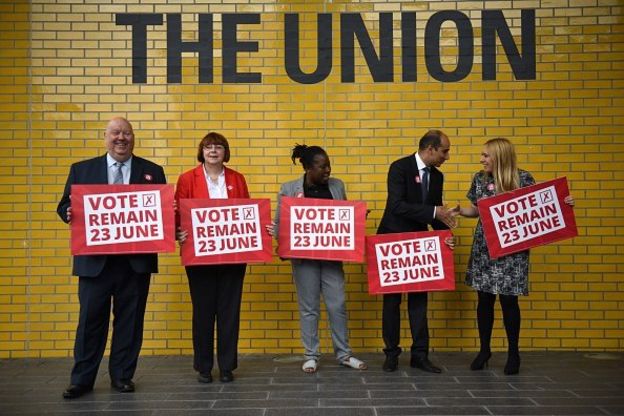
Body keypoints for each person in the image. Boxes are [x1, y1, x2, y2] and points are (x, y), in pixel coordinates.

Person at [57, 117, 167, 399]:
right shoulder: (82, 170)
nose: (121, 138)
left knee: (130, 322)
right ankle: (81, 379)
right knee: (90, 322)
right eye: (116, 133)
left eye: (127, 133)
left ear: (133, 137)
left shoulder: (152, 171)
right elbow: (65, 205)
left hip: (134, 263)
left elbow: (161, 213)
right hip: (95, 262)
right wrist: (68, 212)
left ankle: (122, 376)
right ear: (105, 137)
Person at [453, 138, 575, 375]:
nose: (481, 159)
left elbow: (539, 207)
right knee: (484, 299)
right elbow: (477, 210)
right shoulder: (480, 179)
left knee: (509, 301)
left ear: (499, 156)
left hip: (513, 249)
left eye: (486, 155)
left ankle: (513, 353)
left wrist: (565, 203)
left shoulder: (524, 179)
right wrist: (460, 210)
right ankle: (484, 350)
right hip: (484, 247)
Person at [271, 144, 367, 373]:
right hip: (304, 260)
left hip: (331, 258)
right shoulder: (289, 188)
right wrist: (281, 239)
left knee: (338, 304)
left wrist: (356, 219)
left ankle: (344, 354)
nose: (328, 170)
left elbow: (343, 219)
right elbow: (278, 225)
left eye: (329, 165)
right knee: (309, 307)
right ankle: (311, 355)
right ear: (307, 168)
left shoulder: (337, 186)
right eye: (322, 166)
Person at [377, 129, 456, 373]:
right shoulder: (400, 168)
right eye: (444, 151)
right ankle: (391, 354)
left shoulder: (438, 177)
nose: (447, 157)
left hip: (420, 245)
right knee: (391, 302)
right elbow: (397, 205)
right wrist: (435, 213)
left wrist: (446, 235)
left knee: (419, 303)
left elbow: (436, 215)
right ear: (430, 149)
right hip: (393, 241)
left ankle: (419, 355)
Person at [175, 132, 249, 384]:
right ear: (202, 151)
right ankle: (204, 366)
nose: (213, 151)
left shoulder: (237, 179)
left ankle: (227, 366)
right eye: (209, 147)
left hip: (233, 255)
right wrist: (178, 231)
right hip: (199, 256)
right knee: (203, 311)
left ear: (225, 152)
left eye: (218, 147)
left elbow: (246, 212)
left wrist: (261, 228)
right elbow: (178, 212)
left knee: (229, 312)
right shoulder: (186, 179)